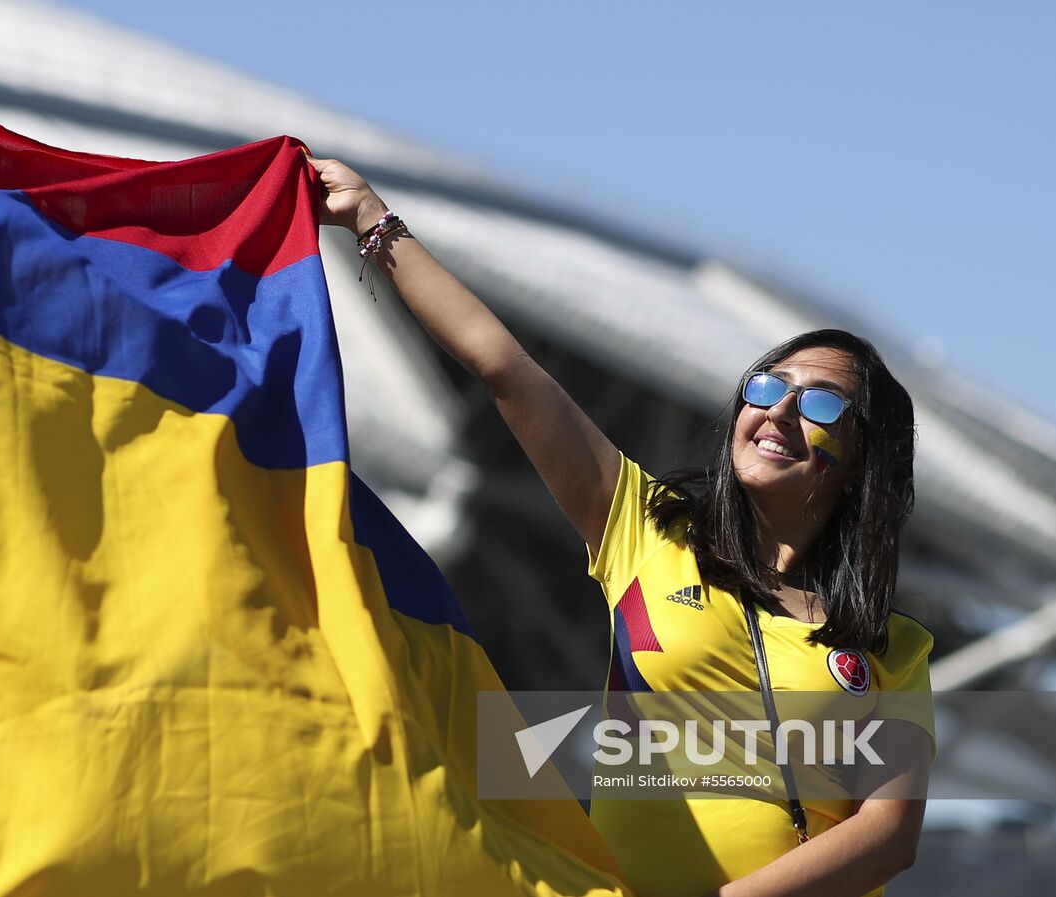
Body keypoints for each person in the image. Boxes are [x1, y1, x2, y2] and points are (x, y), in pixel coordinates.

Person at [309, 156, 935, 897]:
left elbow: (888, 834)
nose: (779, 411)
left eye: (822, 404)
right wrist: (372, 222)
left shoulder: (892, 646)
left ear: (864, 461)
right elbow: (505, 368)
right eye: (768, 385)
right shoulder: (644, 530)